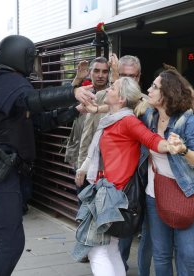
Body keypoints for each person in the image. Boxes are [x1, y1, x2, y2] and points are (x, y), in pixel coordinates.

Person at [0, 34, 95, 276]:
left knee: (2, 233)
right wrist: (71, 92)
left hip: (8, 169)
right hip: (2, 169)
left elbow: (40, 121)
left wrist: (74, 110)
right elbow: (30, 101)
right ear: (20, 57)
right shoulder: (3, 80)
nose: (34, 64)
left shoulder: (12, 83)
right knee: (12, 242)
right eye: (32, 59)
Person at [73, 77, 176, 276]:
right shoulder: (113, 119)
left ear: (120, 99)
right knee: (110, 249)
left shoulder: (127, 121)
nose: (108, 89)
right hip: (107, 192)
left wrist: (171, 146)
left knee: (97, 251)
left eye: (112, 88)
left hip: (114, 195)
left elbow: (152, 139)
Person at [79, 54, 152, 275]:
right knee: (112, 247)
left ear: (139, 77)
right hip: (107, 185)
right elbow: (97, 129)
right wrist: (84, 166)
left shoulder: (143, 109)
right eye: (121, 76)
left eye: (130, 76)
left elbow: (149, 138)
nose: (125, 80)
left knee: (100, 248)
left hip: (127, 188)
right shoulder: (113, 108)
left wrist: (175, 147)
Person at [140, 69, 194, 275]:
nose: (149, 90)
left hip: (187, 193)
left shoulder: (188, 122)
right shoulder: (149, 117)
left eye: (154, 87)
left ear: (167, 93)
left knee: (189, 254)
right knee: (161, 255)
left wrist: (184, 150)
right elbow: (125, 99)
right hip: (155, 194)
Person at [65, 57, 109, 204]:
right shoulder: (83, 91)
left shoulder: (113, 95)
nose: (100, 75)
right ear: (90, 72)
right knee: (83, 206)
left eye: (105, 71)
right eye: (96, 71)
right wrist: (77, 79)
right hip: (80, 158)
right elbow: (65, 106)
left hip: (102, 164)